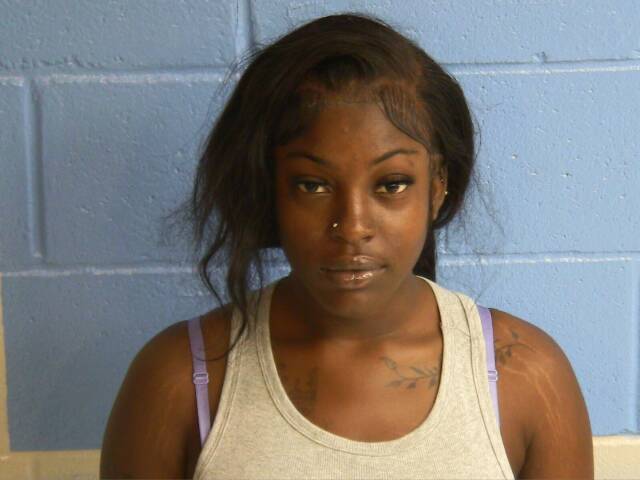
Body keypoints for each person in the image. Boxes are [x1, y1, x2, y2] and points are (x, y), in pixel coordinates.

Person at [100, 13, 593, 479]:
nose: (352, 226)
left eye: (392, 184)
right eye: (313, 185)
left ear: (438, 184)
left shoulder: (526, 376)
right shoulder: (181, 378)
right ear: (268, 189)